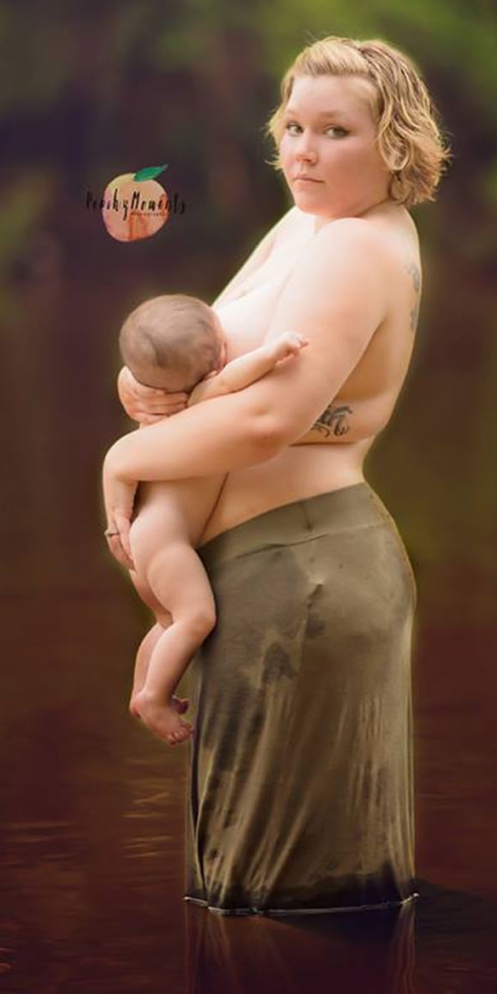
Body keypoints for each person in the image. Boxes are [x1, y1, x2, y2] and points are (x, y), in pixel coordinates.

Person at [102, 34, 450, 914]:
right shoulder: (310, 221)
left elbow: (267, 420)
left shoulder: (355, 246)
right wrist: (142, 389)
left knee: (281, 900)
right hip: (269, 573)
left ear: (394, 143)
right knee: (248, 893)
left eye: (335, 130)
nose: (303, 149)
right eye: (293, 125)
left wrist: (123, 457)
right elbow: (210, 355)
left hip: (304, 575)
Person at [115, 292, 308, 744]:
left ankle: (142, 685)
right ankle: (154, 698)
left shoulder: (157, 412)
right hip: (167, 543)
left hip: (147, 542)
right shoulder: (202, 397)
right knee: (195, 618)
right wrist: (275, 351)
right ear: (220, 354)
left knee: (167, 622)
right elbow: (238, 377)